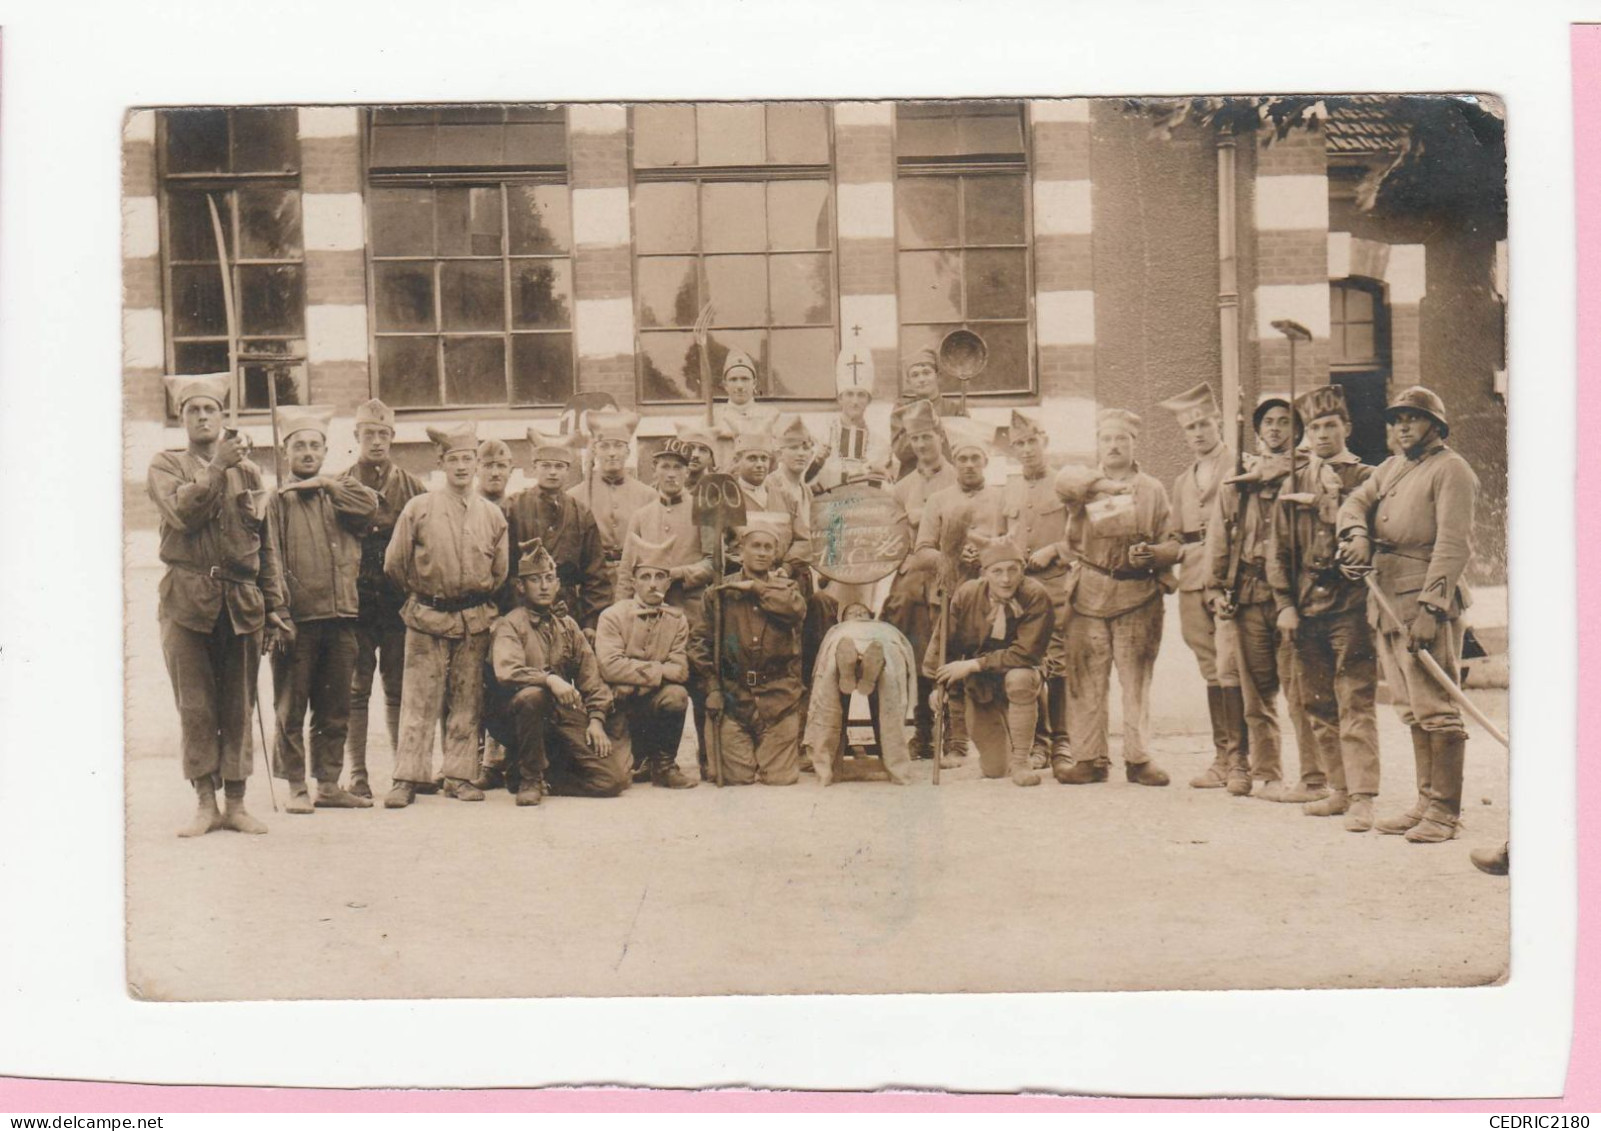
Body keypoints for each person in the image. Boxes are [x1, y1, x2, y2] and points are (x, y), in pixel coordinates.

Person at [1337, 386, 1480, 844]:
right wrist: (1357, 534)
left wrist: (1432, 609)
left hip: (1423, 602)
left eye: (1413, 419)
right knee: (1411, 709)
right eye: (1397, 420)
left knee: (1437, 709)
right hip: (1386, 600)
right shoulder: (1392, 468)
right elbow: (1355, 501)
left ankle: (1444, 813)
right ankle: (1425, 801)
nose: (1402, 427)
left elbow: (1453, 544)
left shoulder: (1452, 470)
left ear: (1436, 427)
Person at [148, 373, 289, 836]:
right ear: (182, 419)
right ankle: (205, 803)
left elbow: (265, 545)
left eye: (210, 409)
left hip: (241, 604)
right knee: (196, 706)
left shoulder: (249, 472)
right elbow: (183, 514)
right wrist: (215, 470)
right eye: (194, 411)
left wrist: (274, 607)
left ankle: (237, 802)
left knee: (238, 705)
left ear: (223, 416)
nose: (203, 416)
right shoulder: (165, 466)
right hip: (186, 604)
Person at [1269, 385, 1381, 831]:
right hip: (1306, 608)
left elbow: (1378, 539)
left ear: (1347, 429)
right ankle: (1337, 789)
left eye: (1330, 426)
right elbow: (1277, 551)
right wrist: (1283, 605)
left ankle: (1363, 797)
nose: (1321, 435)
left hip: (1351, 606)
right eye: (1314, 427)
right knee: (1317, 701)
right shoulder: (1293, 483)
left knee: (1355, 699)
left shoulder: (1369, 479)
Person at [1205, 394, 1327, 803]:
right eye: (1268, 422)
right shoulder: (1238, 481)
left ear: (1297, 429)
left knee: (1300, 691)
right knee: (1256, 693)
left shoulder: (1310, 475)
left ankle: (1313, 777)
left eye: (1283, 421)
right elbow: (1220, 539)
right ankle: (1267, 772)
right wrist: (1216, 587)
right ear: (1257, 430)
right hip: (1249, 594)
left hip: (1293, 599)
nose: (1275, 428)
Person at [381, 423, 509, 809]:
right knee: (419, 700)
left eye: (467, 459)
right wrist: (427, 595)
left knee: (467, 701)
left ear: (476, 463)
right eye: (453, 459)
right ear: (441, 463)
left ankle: (459, 776)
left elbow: (500, 571)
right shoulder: (418, 508)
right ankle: (408, 777)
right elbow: (394, 564)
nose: (461, 466)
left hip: (474, 619)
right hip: (427, 617)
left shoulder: (492, 515)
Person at [263, 405, 379, 813]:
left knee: (335, 706)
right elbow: (270, 555)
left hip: (342, 616)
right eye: (300, 446)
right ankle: (296, 785)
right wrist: (278, 610)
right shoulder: (276, 501)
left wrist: (328, 487)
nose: (308, 452)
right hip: (298, 621)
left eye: (315, 445)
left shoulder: (341, 494)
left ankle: (327, 783)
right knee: (291, 706)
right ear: (285, 453)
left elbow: (369, 510)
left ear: (327, 450)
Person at [1053, 409, 1178, 787]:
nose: (1113, 445)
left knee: (1135, 681)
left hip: (1137, 594)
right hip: (1089, 593)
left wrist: (1154, 555)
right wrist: (1103, 488)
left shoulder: (1153, 488)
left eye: (1121, 439)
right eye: (1106, 439)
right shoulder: (1083, 486)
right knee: (1086, 680)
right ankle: (1089, 759)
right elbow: (1063, 482)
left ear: (1133, 444)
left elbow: (1174, 541)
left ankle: (1138, 759)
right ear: (1098, 445)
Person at [1156, 382, 1249, 791]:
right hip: (1194, 577)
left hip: (1231, 576)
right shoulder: (1182, 481)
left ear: (1219, 424)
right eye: (1189, 427)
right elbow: (1178, 537)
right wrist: (1154, 554)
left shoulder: (1241, 463)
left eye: (1203, 423)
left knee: (1237, 665)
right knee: (1211, 667)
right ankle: (1223, 757)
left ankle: (1244, 759)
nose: (1197, 432)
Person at [485, 540, 624, 805]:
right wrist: (550, 679)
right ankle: (530, 778)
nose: (545, 586)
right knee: (533, 696)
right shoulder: (510, 625)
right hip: (514, 718)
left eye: (549, 578)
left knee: (611, 780)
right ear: (520, 587)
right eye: (535, 580)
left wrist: (595, 719)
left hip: (559, 716)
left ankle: (545, 777)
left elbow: (590, 678)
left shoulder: (568, 626)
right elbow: (507, 672)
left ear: (558, 584)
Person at [904, 417, 1007, 768]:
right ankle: (954, 741)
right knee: (947, 665)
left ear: (985, 462)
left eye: (974, 458)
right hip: (948, 594)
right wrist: (950, 555)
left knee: (985, 665)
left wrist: (987, 555)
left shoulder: (1001, 499)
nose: (967, 465)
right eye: (962, 458)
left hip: (992, 597)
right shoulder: (939, 500)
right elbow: (922, 551)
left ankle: (1000, 739)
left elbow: (1012, 546)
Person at [616, 428, 718, 778]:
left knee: (700, 683)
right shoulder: (642, 516)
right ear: (653, 471)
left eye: (678, 466)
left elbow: (712, 563)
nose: (672, 473)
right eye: (664, 466)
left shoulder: (703, 509)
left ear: (688, 472)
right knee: (648, 684)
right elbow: (628, 572)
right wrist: (623, 614)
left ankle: (709, 757)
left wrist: (678, 574)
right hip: (650, 616)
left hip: (691, 611)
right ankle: (648, 757)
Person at [339, 398, 427, 800]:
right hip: (355, 604)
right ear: (356, 437)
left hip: (396, 604)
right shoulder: (340, 485)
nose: (376, 442)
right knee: (356, 688)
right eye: (368, 434)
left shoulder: (412, 488)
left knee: (397, 685)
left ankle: (402, 771)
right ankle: (356, 773)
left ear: (393, 438)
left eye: (383, 434)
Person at [692, 518, 808, 786]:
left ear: (775, 554)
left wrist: (756, 588)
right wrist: (712, 689)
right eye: (755, 545)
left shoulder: (787, 589)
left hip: (778, 698)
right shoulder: (718, 592)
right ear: (741, 549)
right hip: (734, 698)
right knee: (737, 778)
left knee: (780, 779)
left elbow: (795, 610)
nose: (762, 552)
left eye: (769, 547)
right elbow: (699, 643)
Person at [933, 538, 1055, 787]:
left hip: (1021, 671)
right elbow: (945, 645)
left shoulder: (1035, 595)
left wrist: (973, 664)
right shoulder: (967, 594)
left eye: (1013, 570)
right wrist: (939, 686)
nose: (1005, 579)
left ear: (1023, 570)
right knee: (995, 769)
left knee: (1019, 678)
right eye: (996, 571)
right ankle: (1006, 746)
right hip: (981, 683)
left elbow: (1025, 654)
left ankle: (1022, 761)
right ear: (984, 573)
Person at [880, 399, 956, 761]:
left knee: (951, 646)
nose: (922, 445)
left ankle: (955, 730)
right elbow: (896, 544)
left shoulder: (958, 478)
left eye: (927, 436)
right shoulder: (902, 487)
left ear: (939, 435)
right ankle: (924, 729)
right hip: (914, 580)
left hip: (953, 575)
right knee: (913, 645)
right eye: (915, 439)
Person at [593, 535, 697, 790]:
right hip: (618, 704)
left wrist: (636, 677)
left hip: (650, 700)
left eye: (659, 577)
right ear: (633, 581)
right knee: (616, 777)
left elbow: (681, 671)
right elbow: (609, 666)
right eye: (645, 577)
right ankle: (638, 759)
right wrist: (660, 671)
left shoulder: (677, 620)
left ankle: (663, 765)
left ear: (668, 581)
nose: (652, 585)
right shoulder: (612, 616)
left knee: (676, 695)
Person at [1001, 409, 1071, 768]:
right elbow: (1003, 537)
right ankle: (1038, 743)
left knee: (1058, 664)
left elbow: (1083, 538)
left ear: (1045, 441)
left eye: (1032, 441)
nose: (1026, 449)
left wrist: (1055, 550)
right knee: (1028, 662)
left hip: (1056, 587)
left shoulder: (1065, 484)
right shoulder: (1010, 488)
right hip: (1020, 592)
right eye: (1019, 444)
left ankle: (1062, 741)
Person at [801, 605, 918, 786]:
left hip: (879, 648)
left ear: (872, 616)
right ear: (843, 620)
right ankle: (850, 665)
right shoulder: (839, 630)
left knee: (888, 678)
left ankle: (865, 667)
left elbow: (898, 645)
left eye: (862, 612)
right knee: (832, 677)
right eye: (852, 612)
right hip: (845, 646)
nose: (858, 613)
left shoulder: (883, 627)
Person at [507, 431, 611, 632]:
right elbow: (504, 568)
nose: (552, 472)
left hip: (568, 611)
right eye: (546, 465)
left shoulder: (581, 513)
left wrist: (590, 624)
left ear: (568, 470)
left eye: (559, 466)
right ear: (534, 467)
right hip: (521, 609)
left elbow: (596, 575)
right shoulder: (514, 507)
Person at [469, 437, 517, 792]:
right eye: (488, 466)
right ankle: (470, 759)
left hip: (511, 611)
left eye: (502, 466)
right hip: (472, 609)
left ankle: (500, 759)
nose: (495, 473)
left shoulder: (518, 510)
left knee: (504, 684)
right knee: (469, 687)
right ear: (476, 469)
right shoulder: (467, 508)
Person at [567, 410, 657, 599]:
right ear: (595, 451)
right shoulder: (576, 497)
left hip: (635, 581)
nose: (612, 453)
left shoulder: (648, 495)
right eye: (605, 446)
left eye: (618, 446)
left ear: (628, 452)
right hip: (593, 582)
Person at [814, 342, 892, 490]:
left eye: (861, 395)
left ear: (869, 400)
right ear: (840, 399)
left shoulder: (879, 443)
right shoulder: (822, 436)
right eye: (849, 394)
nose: (855, 401)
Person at [890, 347, 967, 480]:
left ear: (937, 376)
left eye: (926, 373)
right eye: (915, 375)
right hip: (912, 479)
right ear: (908, 381)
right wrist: (928, 426)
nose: (921, 379)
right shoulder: (901, 409)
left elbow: (962, 450)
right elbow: (900, 452)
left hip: (947, 480)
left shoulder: (954, 409)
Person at [712, 347, 780, 468]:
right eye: (733, 380)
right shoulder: (713, 416)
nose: (739, 385)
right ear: (725, 385)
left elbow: (778, 457)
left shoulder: (770, 415)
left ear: (754, 383)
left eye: (745, 379)